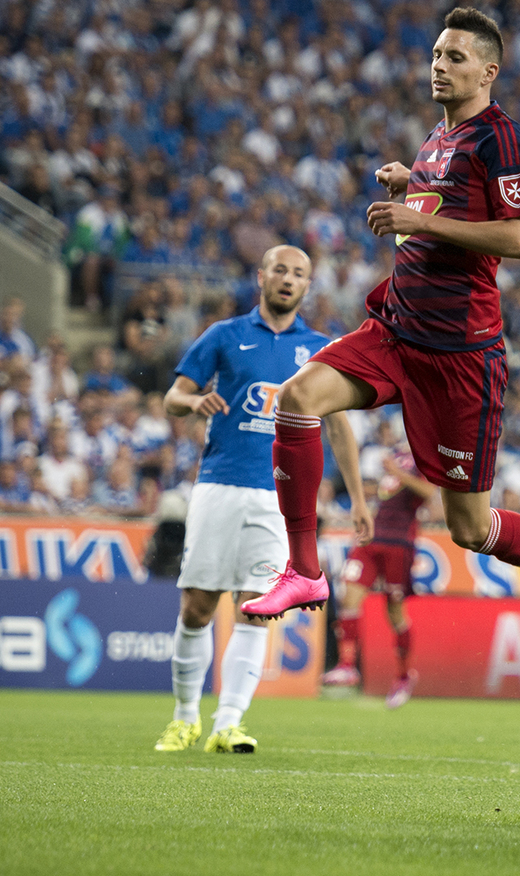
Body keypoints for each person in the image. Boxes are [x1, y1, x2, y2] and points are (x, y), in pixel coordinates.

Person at [240, 8, 520, 638]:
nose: (440, 66)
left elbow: (519, 239)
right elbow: (454, 196)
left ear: (488, 72)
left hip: (460, 355)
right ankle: (303, 570)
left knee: (469, 527)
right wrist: (412, 182)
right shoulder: (438, 138)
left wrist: (419, 217)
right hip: (396, 330)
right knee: (298, 399)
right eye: (438, 54)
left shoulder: (502, 139)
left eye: (455, 58)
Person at [153, 245, 371, 754]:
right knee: (198, 607)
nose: (288, 279)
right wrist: (194, 400)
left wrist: (359, 499)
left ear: (308, 285)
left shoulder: (320, 349)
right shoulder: (224, 335)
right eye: (280, 270)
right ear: (261, 276)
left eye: (298, 273)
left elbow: (339, 427)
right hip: (220, 484)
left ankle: (228, 723)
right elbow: (172, 398)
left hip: (280, 496)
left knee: (255, 609)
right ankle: (184, 718)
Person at [326, 444, 439, 709]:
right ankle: (346, 665)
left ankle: (403, 676)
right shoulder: (398, 453)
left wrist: (397, 472)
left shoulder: (427, 457)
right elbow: (386, 493)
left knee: (395, 612)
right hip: (373, 537)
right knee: (347, 595)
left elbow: (429, 492)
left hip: (400, 543)